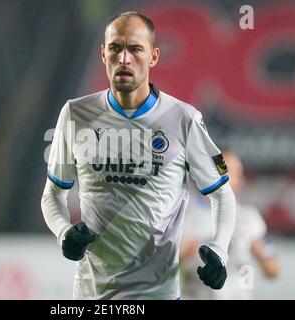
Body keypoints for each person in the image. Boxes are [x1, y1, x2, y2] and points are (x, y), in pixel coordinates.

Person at [41, 11, 236, 300]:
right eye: (115, 48)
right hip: (92, 296)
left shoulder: (183, 119)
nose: (124, 59)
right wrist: (63, 232)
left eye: (135, 49)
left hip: (159, 294)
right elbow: (52, 195)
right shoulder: (76, 114)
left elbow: (222, 194)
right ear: (103, 54)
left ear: (154, 56)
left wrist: (220, 250)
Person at [180, 149, 280, 300]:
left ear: (241, 180)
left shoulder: (249, 218)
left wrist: (261, 255)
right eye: (221, 171)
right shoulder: (184, 216)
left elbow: (273, 270)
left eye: (233, 173)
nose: (225, 177)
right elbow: (158, 267)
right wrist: (181, 253)